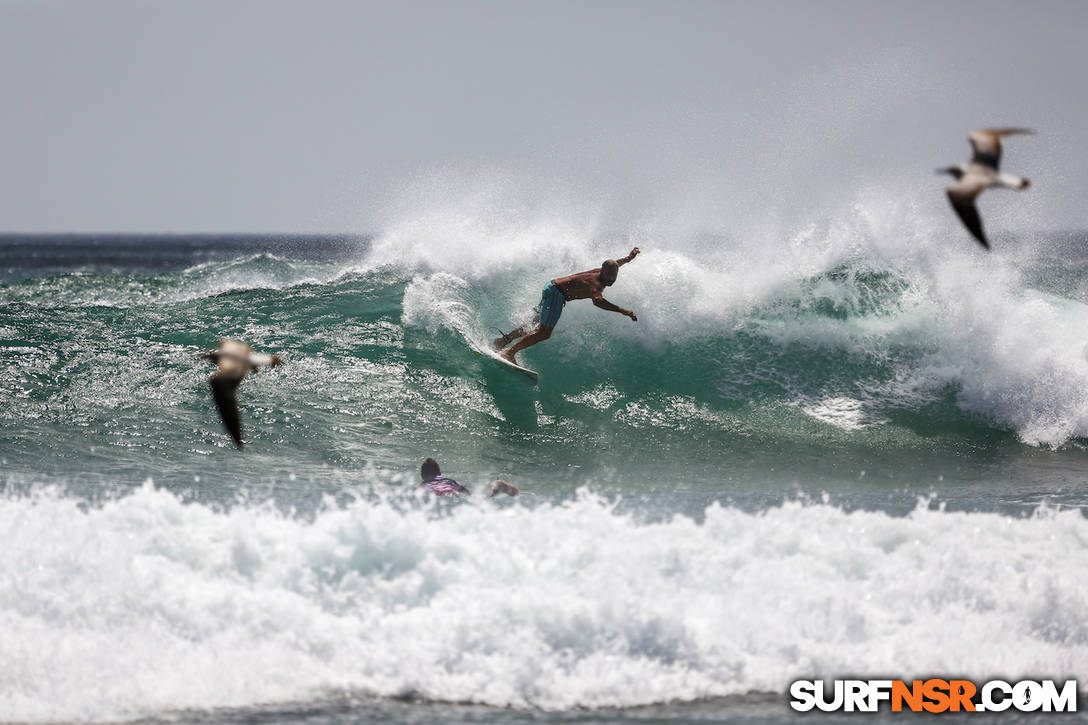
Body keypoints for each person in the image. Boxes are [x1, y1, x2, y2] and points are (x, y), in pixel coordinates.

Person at [493, 247, 641, 364]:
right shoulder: (596, 284)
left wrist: (629, 258)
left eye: (613, 278)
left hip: (550, 286)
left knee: (535, 322)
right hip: (556, 294)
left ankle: (502, 341)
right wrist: (623, 311)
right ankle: (509, 353)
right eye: (609, 277)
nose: (611, 280)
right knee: (544, 333)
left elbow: (616, 264)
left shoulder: (604, 270)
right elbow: (598, 301)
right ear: (603, 272)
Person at [418, 458, 519, 497]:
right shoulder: (449, 481)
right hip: (452, 493)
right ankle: (495, 491)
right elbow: (468, 494)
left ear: (422, 476)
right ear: (439, 473)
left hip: (439, 496)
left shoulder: (423, 485)